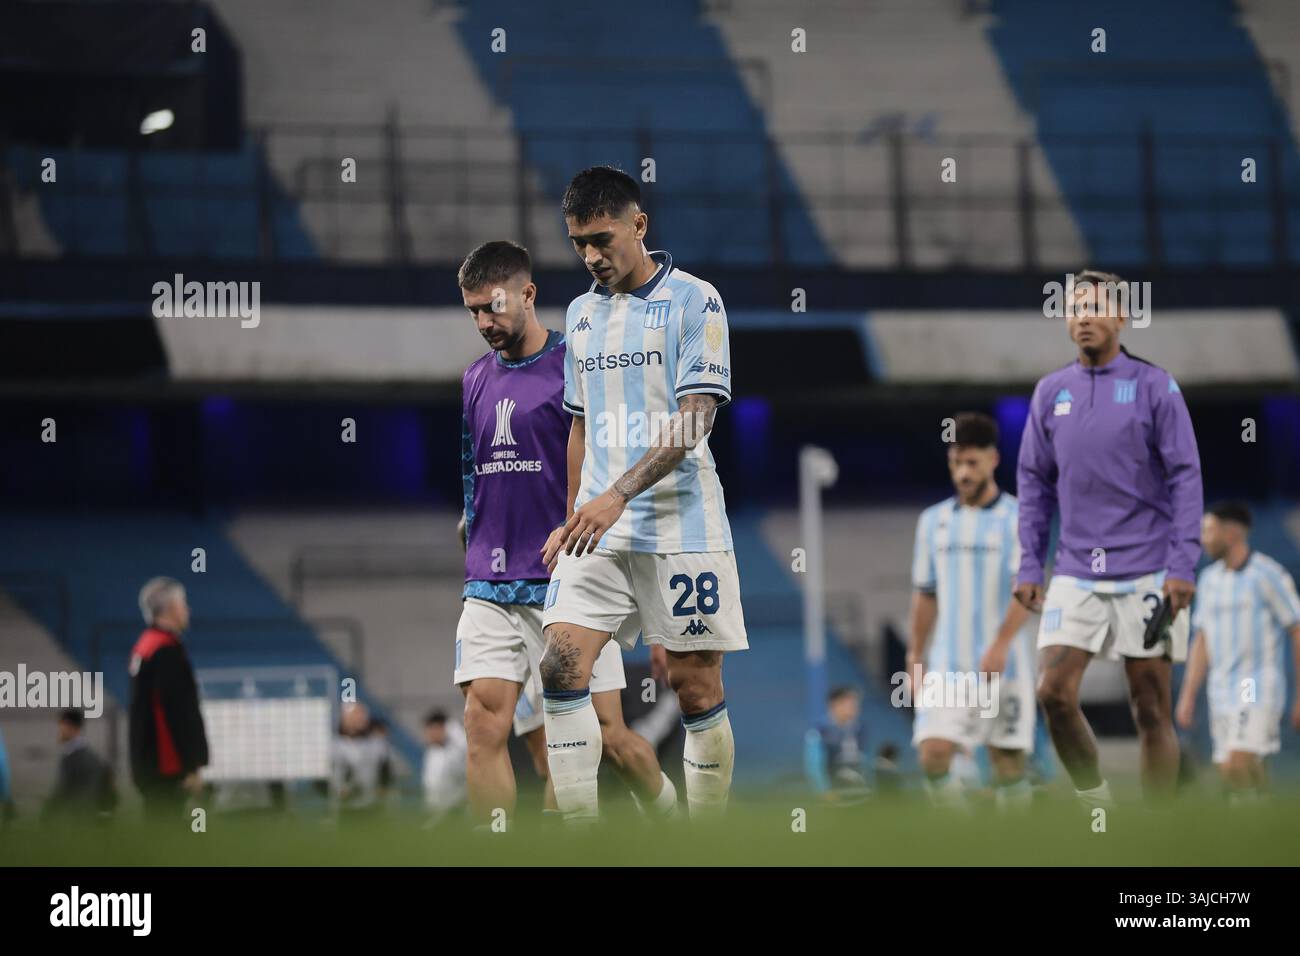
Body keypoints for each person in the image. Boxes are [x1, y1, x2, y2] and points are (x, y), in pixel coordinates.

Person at [541, 166, 748, 821]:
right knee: (560, 668)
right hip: (600, 529)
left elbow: (697, 416)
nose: (591, 257)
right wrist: (575, 510)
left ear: (640, 224)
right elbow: (578, 423)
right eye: (578, 244)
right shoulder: (579, 314)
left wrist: (619, 494)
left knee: (694, 685)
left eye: (602, 239)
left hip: (680, 525)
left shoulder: (695, 300)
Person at [456, 239, 675, 827]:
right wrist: (470, 532)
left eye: (493, 307)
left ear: (528, 294)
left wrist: (649, 604)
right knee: (482, 723)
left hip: (566, 583)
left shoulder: (576, 363)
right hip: (490, 586)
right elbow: (473, 474)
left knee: (604, 736)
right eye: (473, 310)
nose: (484, 322)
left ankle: (674, 817)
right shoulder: (474, 379)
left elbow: (609, 479)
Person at [1015, 270, 1203, 809]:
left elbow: (1186, 476)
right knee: (1052, 692)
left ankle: (1156, 829)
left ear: (1122, 316)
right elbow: (1032, 482)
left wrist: (1182, 564)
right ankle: (1096, 806)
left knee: (1149, 707)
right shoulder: (1050, 393)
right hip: (1074, 571)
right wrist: (1030, 563)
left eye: (1096, 308)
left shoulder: (1155, 387)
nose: (1084, 318)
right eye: (1075, 309)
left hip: (1147, 569)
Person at [909, 412, 1035, 810]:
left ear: (993, 460)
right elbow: (925, 594)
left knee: (1008, 765)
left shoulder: (1019, 519)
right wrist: (915, 654)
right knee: (932, 753)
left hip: (1006, 665)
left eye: (972, 463)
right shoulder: (933, 522)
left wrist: (1000, 644)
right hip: (948, 666)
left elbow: (1028, 590)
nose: (963, 473)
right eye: (956, 462)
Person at [1176, 502, 1300, 805]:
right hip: (1220, 689)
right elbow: (1201, 640)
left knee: (1237, 764)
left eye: (1208, 530)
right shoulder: (1208, 580)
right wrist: (1188, 695)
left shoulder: (1268, 574)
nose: (1203, 538)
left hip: (1254, 683)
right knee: (1235, 770)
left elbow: (1296, 629)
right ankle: (1265, 825)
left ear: (1231, 533)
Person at [129, 577, 208, 821]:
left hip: (147, 763)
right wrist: (191, 765)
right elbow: (178, 712)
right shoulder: (165, 651)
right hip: (167, 767)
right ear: (171, 608)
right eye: (183, 604)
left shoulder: (145, 647)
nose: (188, 610)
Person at [42, 708, 116, 822]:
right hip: (94, 821)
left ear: (70, 727)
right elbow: (111, 797)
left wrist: (46, 815)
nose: (59, 732)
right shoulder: (96, 759)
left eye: (61, 726)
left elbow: (62, 792)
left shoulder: (70, 758)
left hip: (76, 822)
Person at [804, 686, 870, 797]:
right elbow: (814, 766)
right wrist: (824, 791)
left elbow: (864, 761)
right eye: (850, 704)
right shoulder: (820, 732)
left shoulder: (859, 730)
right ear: (835, 705)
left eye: (856, 704)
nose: (855, 708)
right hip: (834, 795)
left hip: (858, 792)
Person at [421, 709, 467, 823]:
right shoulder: (431, 753)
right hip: (434, 811)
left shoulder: (455, 753)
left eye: (434, 729)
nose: (430, 734)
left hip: (455, 812)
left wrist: (452, 727)